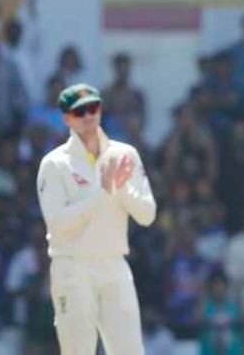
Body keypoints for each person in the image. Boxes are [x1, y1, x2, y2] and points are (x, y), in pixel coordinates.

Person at [35, 83, 157, 354]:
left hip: (114, 264)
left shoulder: (124, 155)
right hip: (73, 268)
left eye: (93, 108)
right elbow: (58, 225)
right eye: (79, 111)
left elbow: (147, 215)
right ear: (66, 118)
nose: (88, 116)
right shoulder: (55, 164)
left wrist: (123, 189)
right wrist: (102, 192)